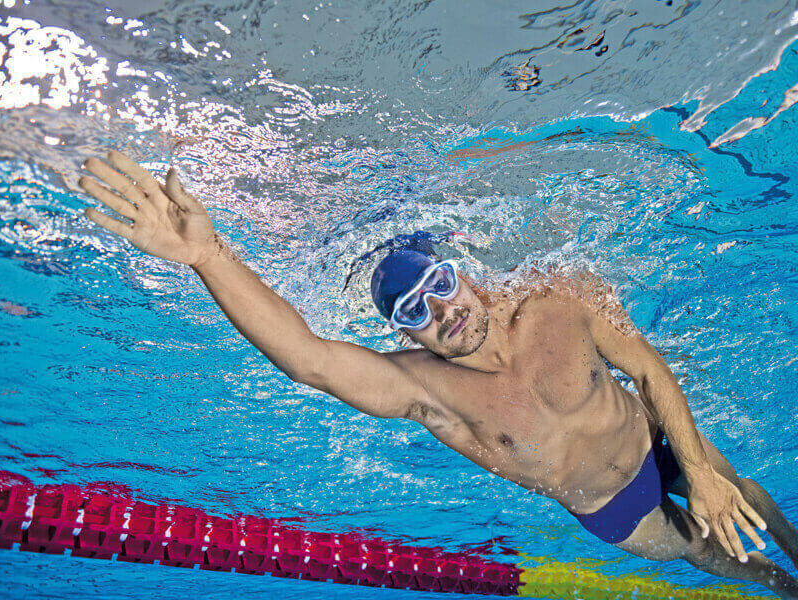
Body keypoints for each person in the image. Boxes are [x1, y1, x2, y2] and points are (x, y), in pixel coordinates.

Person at [79, 150, 798, 598]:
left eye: (440, 285)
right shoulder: (430, 394)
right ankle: (779, 588)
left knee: (745, 496)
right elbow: (307, 358)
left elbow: (647, 368)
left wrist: (698, 472)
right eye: (413, 312)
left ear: (464, 273)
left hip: (654, 438)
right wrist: (209, 258)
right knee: (715, 551)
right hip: (614, 505)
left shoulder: (561, 301)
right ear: (402, 331)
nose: (439, 313)